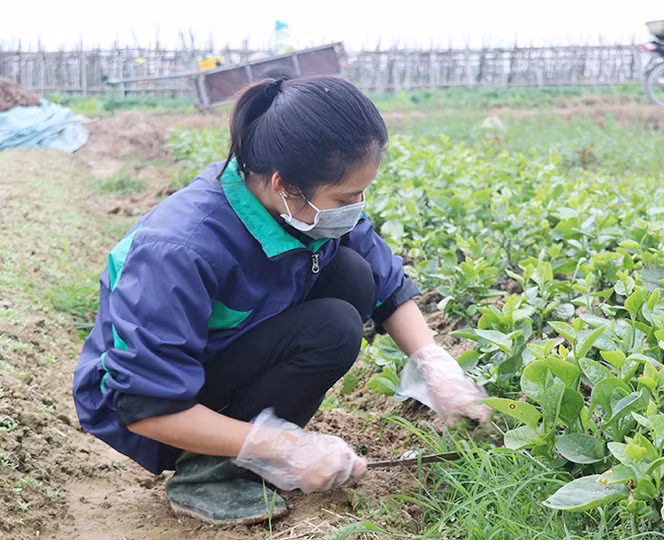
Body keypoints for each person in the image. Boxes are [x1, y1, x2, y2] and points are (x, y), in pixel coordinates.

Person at [72, 75, 491, 526]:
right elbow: (144, 405)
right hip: (150, 408)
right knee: (333, 327)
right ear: (284, 184)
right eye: (346, 197)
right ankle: (203, 475)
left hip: (224, 353)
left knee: (353, 274)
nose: (357, 206)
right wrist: (281, 445)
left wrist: (434, 364)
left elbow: (387, 285)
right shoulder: (181, 248)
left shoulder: (300, 207)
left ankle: (241, 447)